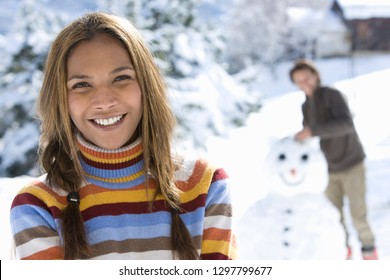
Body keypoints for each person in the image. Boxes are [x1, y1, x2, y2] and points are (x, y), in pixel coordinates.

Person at [10, 12, 236, 260]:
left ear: (146, 86)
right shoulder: (38, 205)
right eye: (82, 85)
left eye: (121, 78)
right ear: (60, 99)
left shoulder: (204, 186)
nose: (105, 101)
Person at [289, 59, 377, 260]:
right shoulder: (305, 106)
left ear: (315, 75)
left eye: (306, 77)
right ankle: (343, 253)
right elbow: (309, 141)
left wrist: (313, 130)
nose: (304, 82)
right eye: (299, 80)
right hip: (328, 170)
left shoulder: (332, 95)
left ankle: (369, 253)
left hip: (352, 163)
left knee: (358, 215)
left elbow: (345, 124)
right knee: (334, 217)